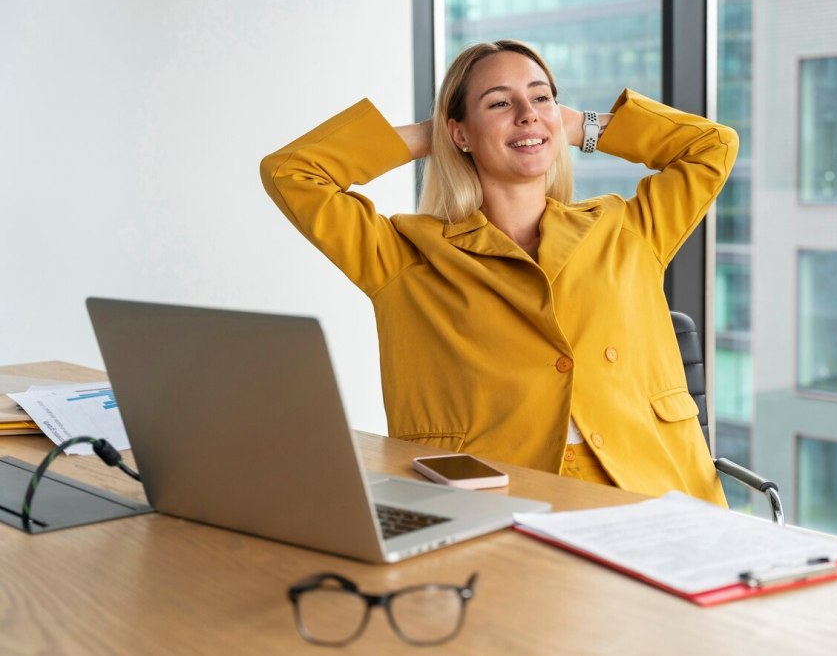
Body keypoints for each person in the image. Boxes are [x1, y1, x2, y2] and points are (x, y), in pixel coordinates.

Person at [260, 39, 738, 505]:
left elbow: (712, 146)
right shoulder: (403, 254)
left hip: (652, 493)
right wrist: (432, 136)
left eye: (541, 97)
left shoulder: (625, 228)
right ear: (460, 134)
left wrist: (575, 126)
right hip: (498, 498)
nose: (527, 113)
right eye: (499, 103)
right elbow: (291, 172)